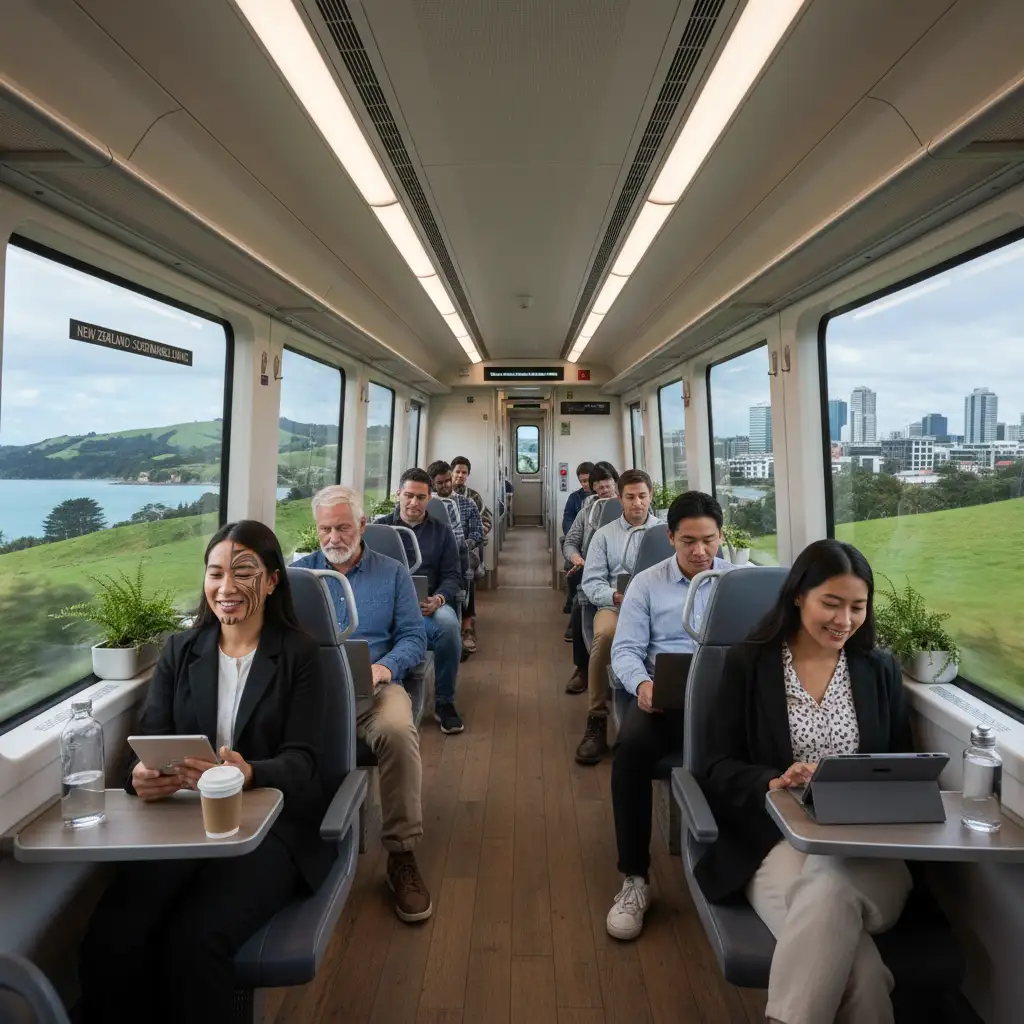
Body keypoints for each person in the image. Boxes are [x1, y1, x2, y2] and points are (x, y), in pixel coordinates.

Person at [80, 520, 334, 1023]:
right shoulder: (180, 651)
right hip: (181, 822)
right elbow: (149, 742)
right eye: (215, 573)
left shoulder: (301, 656)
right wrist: (141, 778)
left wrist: (250, 771)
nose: (227, 588)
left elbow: (305, 762)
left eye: (244, 573)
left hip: (269, 829)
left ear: (273, 581)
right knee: (114, 933)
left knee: (196, 941)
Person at [695, 540, 913, 1024]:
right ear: (798, 596)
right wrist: (774, 780)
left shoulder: (879, 671)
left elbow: (901, 766)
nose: (844, 620)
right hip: (777, 842)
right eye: (830, 604)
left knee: (832, 877)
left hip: (868, 850)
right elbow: (715, 765)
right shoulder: (749, 664)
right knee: (865, 978)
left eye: (858, 607)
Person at [294, 485, 432, 922]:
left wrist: (384, 668)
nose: (333, 538)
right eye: (324, 530)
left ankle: (402, 853)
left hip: (374, 685)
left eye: (342, 528)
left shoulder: (392, 573)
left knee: (397, 730)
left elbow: (415, 637)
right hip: (312, 691)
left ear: (362, 527)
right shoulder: (299, 577)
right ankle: (293, 847)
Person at [605, 491, 734, 941]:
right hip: (667, 699)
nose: (700, 552)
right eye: (688, 542)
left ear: (721, 537)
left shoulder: (741, 581)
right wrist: (642, 685)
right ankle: (635, 878)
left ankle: (736, 867)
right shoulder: (646, 584)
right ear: (670, 538)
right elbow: (625, 651)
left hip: (726, 701)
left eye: (709, 540)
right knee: (630, 754)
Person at [575, 469, 661, 764]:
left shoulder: (666, 534)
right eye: (630, 497)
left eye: (642, 496)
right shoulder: (604, 535)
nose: (637, 503)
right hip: (616, 605)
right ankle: (597, 717)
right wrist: (615, 596)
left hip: (656, 607)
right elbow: (592, 582)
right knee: (605, 637)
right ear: (620, 499)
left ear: (650, 497)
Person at [376, 468, 465, 734]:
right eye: (409, 495)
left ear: (429, 498)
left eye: (421, 497)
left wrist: (438, 599)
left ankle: (444, 702)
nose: (414, 503)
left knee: (449, 629)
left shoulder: (442, 533)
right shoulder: (377, 530)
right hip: (384, 607)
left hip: (427, 607)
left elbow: (453, 576)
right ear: (398, 495)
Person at [562, 463, 619, 683]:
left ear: (616, 484)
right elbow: (571, 542)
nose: (605, 491)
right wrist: (576, 557)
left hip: (625, 574)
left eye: (608, 486)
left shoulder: (633, 511)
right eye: (600, 487)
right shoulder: (587, 512)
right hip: (593, 571)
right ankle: (582, 668)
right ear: (593, 489)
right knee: (578, 606)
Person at [428, 460, 484, 656]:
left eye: (447, 481)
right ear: (432, 484)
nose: (445, 486)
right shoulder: (426, 505)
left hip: (463, 551)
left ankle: (465, 625)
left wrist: (464, 545)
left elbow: (478, 532)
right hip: (432, 555)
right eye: (439, 483)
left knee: (463, 569)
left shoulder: (467, 503)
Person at [451, 455, 493, 536]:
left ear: (468, 475)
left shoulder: (474, 496)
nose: (460, 475)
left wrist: (473, 537)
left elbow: (486, 522)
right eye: (457, 472)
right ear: (451, 472)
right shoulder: (441, 493)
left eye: (464, 473)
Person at [561, 461, 595, 538]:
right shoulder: (574, 497)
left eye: (586, 480)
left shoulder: (602, 495)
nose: (584, 484)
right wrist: (573, 539)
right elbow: (568, 521)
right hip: (580, 537)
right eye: (581, 481)